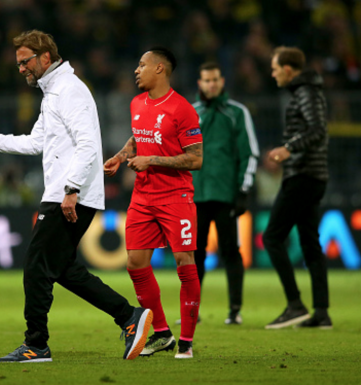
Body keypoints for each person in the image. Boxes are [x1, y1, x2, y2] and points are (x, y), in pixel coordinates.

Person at [0, 30, 153, 363]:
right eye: (18, 63)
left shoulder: (69, 91)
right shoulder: (54, 93)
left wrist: (71, 189)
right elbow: (37, 143)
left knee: (36, 266)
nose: (20, 68)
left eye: (25, 62)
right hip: (69, 192)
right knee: (62, 269)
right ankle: (129, 317)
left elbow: (89, 145)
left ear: (45, 58)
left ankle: (36, 344)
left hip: (69, 194)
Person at [104, 47, 203, 359]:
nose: (136, 69)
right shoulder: (136, 103)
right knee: (135, 263)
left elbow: (196, 159)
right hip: (143, 196)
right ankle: (162, 334)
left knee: (185, 262)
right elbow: (138, 138)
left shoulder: (183, 109)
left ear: (160, 69)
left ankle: (186, 341)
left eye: (142, 64)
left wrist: (152, 161)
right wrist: (121, 157)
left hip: (176, 196)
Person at [264, 46, 330, 329]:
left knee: (272, 237)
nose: (273, 73)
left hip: (303, 176)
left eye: (276, 68)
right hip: (311, 176)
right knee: (310, 244)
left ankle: (295, 304)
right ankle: (321, 313)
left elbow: (318, 130)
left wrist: (289, 148)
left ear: (288, 70)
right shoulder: (307, 92)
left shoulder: (306, 93)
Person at [191, 62, 259, 325]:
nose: (211, 84)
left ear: (222, 82)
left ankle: (234, 310)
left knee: (230, 251)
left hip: (226, 194)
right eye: (207, 80)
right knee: (195, 253)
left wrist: (243, 190)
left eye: (215, 79)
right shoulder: (191, 112)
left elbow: (249, 153)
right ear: (200, 83)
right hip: (195, 195)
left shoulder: (237, 112)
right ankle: (191, 311)